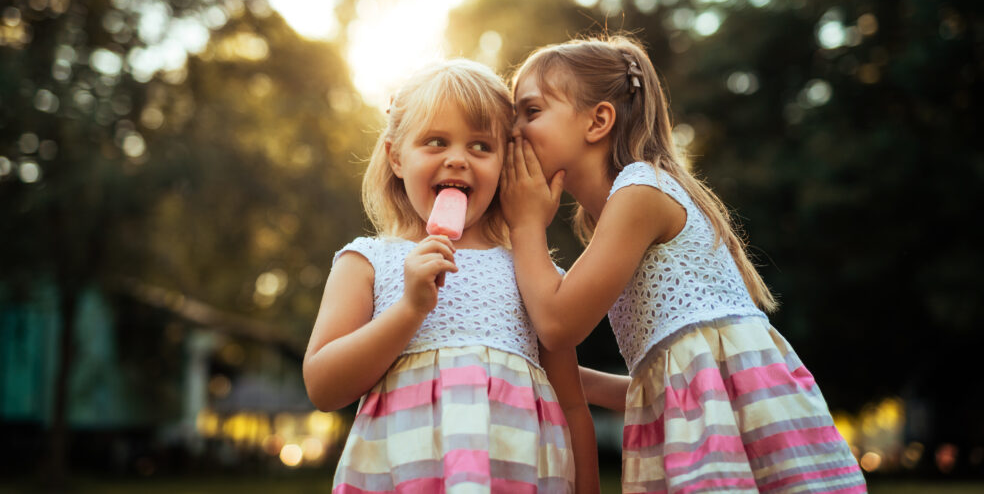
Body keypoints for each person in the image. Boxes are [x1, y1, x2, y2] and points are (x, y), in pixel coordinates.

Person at [500, 35, 867, 493]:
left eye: (530, 111)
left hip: (737, 431)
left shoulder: (641, 192)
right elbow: (657, 382)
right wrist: (549, 373)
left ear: (598, 121)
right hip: (701, 427)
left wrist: (525, 225)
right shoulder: (620, 209)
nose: (513, 130)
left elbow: (557, 324)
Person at [303, 59, 599, 494]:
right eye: (435, 142)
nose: (458, 159)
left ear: (506, 164)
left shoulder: (533, 272)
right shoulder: (368, 261)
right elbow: (323, 388)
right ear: (396, 156)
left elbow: (571, 402)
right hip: (405, 474)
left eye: (481, 146)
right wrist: (409, 308)